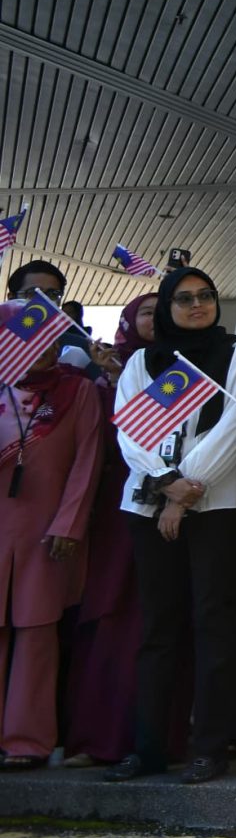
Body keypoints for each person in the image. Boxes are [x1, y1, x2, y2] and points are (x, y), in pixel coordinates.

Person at [107, 267, 236, 784]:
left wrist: (186, 491)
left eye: (206, 297)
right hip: (150, 504)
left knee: (213, 625)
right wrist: (167, 482)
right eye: (185, 299)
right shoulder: (141, 360)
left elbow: (234, 428)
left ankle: (209, 747)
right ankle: (149, 746)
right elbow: (129, 429)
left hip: (218, 507)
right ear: (168, 306)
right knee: (158, 630)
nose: (197, 306)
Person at [0, 301, 100, 769]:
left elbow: (87, 462)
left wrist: (69, 524)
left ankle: (27, 742)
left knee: (37, 633)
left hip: (46, 531)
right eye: (30, 339)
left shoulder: (76, 392)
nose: (46, 349)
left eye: (52, 340)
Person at [60, 291, 154, 769]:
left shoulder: (189, 372)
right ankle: (96, 736)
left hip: (169, 510)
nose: (157, 319)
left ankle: (153, 738)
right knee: (106, 618)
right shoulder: (102, 379)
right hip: (112, 512)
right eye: (148, 312)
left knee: (153, 622)